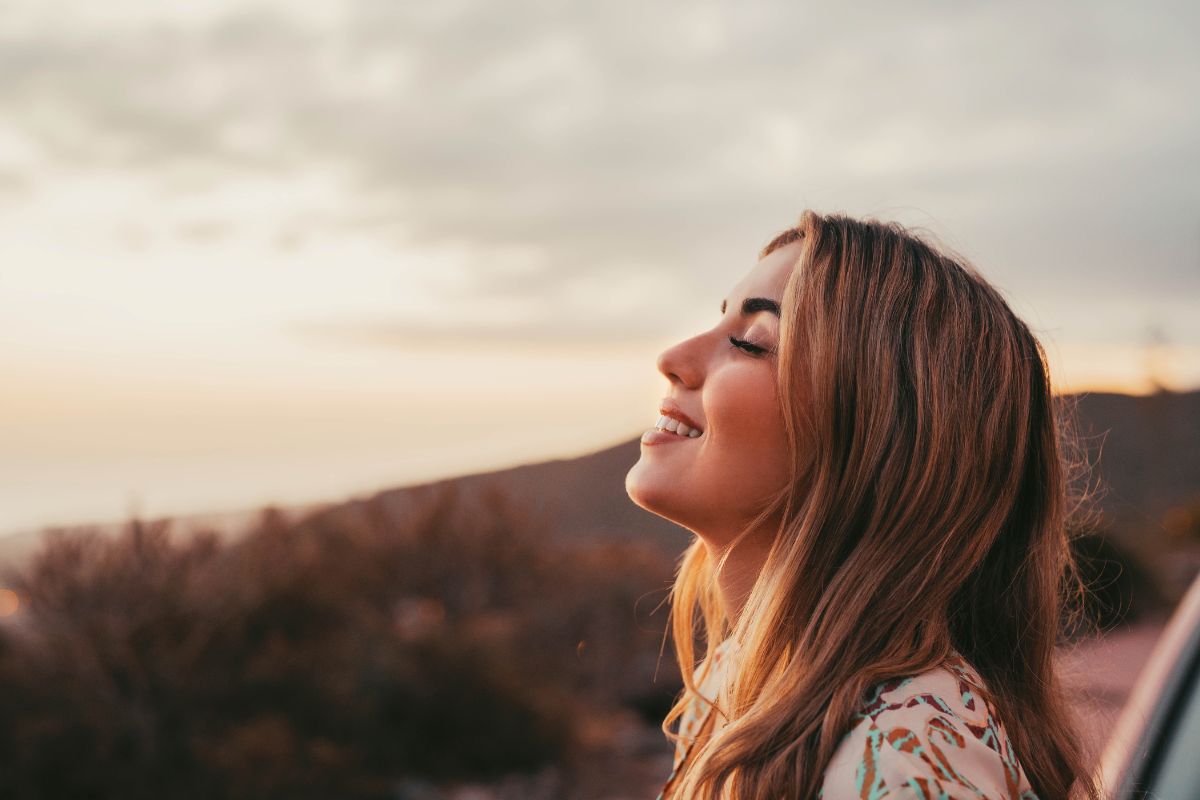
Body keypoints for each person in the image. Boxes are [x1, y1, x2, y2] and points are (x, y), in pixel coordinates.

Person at [624, 211, 1100, 799]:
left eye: (751, 343)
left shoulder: (902, 761)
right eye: (721, 320)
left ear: (879, 439)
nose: (672, 356)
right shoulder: (738, 682)